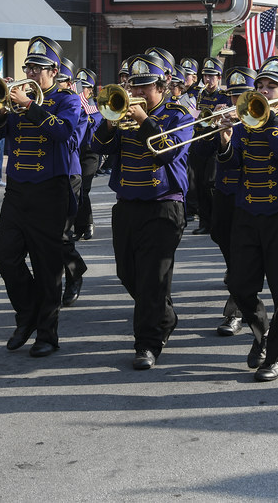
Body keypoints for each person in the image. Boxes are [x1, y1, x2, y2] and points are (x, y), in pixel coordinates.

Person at [90, 53, 192, 369]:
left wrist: (144, 121)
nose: (137, 93)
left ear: (162, 87)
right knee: (127, 273)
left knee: (151, 278)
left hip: (164, 207)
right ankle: (165, 315)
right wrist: (108, 120)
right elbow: (97, 146)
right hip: (127, 205)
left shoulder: (179, 115)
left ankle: (147, 344)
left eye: (145, 87)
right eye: (133, 85)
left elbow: (166, 153)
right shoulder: (121, 113)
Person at [0, 37, 82, 357]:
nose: (30, 73)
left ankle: (47, 333)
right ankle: (26, 312)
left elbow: (64, 132)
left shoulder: (67, 99)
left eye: (37, 68)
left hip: (49, 190)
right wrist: (2, 106)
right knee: (4, 254)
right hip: (17, 189)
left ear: (54, 71)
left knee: (47, 266)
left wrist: (30, 105)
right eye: (28, 67)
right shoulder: (17, 100)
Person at [218, 56, 278, 382]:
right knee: (239, 285)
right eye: (261, 85)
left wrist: (266, 119)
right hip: (247, 210)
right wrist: (226, 139)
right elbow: (232, 164)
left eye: (271, 86)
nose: (264, 90)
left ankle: (276, 357)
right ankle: (261, 328)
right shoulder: (244, 123)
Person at [206, 67, 256, 336]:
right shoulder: (224, 117)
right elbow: (202, 150)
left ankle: (234, 311)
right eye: (233, 96)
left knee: (241, 255)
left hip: (248, 194)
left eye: (241, 97)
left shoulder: (258, 118)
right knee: (222, 238)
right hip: (225, 191)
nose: (236, 103)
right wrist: (216, 128)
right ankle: (238, 281)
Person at [55, 57, 89, 306]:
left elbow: (70, 141)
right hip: (41, 176)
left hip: (69, 173)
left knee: (62, 233)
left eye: (59, 82)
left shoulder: (77, 106)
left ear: (68, 82)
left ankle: (74, 272)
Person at [187, 57, 225, 236]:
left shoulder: (224, 97)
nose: (208, 80)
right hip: (198, 141)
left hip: (215, 144)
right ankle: (204, 221)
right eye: (205, 76)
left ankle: (215, 220)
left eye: (211, 76)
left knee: (210, 183)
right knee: (198, 184)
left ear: (219, 77)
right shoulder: (197, 94)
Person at [73, 68, 102, 242]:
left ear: (90, 90)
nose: (80, 90)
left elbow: (93, 125)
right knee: (76, 190)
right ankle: (79, 226)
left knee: (84, 189)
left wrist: (83, 109)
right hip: (77, 150)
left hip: (90, 152)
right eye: (78, 86)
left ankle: (88, 223)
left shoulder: (95, 107)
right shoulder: (75, 103)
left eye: (84, 87)